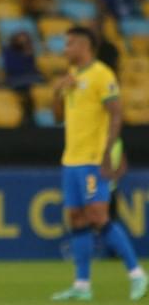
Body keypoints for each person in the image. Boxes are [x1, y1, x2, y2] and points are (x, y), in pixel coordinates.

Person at [50, 27, 147, 301]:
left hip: (93, 159)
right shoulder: (72, 77)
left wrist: (108, 151)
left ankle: (137, 273)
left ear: (84, 46)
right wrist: (58, 91)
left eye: (69, 44)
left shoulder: (101, 75)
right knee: (77, 219)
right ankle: (82, 285)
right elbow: (58, 118)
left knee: (98, 216)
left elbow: (116, 114)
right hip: (71, 160)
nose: (65, 49)